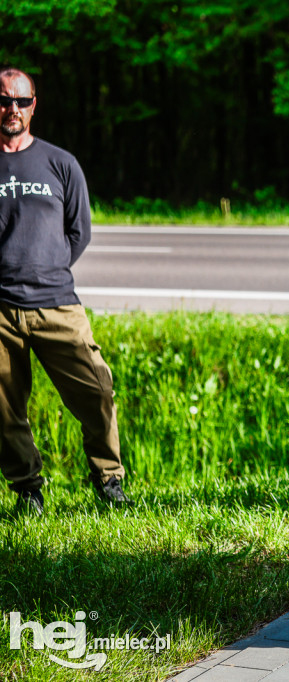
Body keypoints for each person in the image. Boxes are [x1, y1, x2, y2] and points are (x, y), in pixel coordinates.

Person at [0, 67, 133, 515]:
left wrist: (44, 268)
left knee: (97, 390)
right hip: (0, 310)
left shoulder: (60, 163)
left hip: (57, 305)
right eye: (4, 100)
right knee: (4, 409)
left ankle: (108, 480)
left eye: (21, 101)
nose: (12, 109)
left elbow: (79, 232)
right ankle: (27, 490)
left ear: (34, 105)